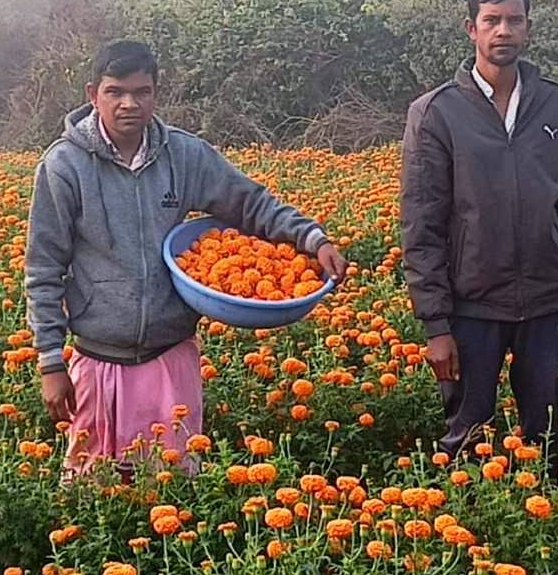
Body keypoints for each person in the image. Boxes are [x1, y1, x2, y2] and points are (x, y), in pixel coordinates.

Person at [25, 39, 348, 481]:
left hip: (170, 354)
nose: (128, 104)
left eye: (141, 92)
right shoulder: (64, 165)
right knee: (95, 489)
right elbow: (43, 268)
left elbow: (250, 203)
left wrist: (312, 239)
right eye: (115, 92)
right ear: (93, 94)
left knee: (173, 485)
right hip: (98, 358)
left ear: (156, 93)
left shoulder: (183, 155)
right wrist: (50, 360)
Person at [399, 0, 558, 464]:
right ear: (471, 28)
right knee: (467, 442)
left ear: (527, 27)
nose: (503, 31)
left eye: (514, 20)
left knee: (553, 439)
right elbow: (422, 226)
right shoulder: (436, 113)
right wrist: (436, 324)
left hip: (547, 302)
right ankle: (469, 514)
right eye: (492, 20)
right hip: (470, 307)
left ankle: (548, 513)